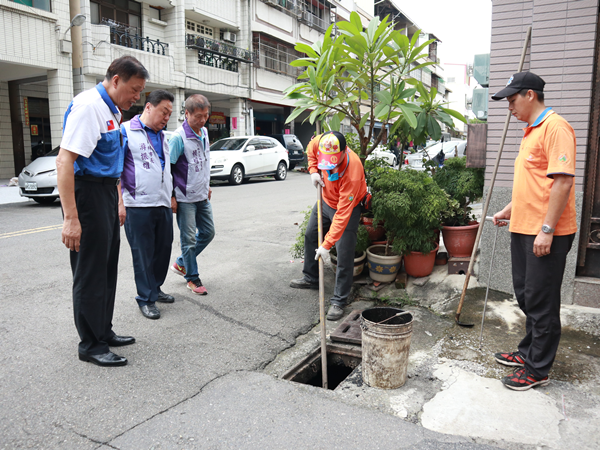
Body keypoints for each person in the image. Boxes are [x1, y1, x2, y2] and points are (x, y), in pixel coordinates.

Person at [57, 56, 149, 367]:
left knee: (107, 267)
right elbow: (65, 161)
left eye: (140, 92)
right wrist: (71, 218)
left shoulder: (112, 110)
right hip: (87, 195)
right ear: (115, 80)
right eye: (134, 90)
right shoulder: (89, 107)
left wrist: (118, 201)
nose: (136, 97)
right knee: (90, 271)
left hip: (106, 193)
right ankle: (90, 344)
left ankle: (103, 330)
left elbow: (111, 164)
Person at [491, 71, 577, 390]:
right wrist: (508, 210)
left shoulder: (556, 128)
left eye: (512, 100)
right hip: (523, 227)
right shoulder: (531, 131)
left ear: (530, 95)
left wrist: (547, 229)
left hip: (545, 233)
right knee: (526, 294)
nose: (509, 107)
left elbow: (563, 181)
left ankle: (538, 369)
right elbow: (534, 184)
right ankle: (529, 353)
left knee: (541, 301)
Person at [290, 131, 367, 321]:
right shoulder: (321, 142)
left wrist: (326, 245)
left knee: (343, 251)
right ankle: (311, 277)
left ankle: (339, 300)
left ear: (343, 151)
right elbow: (310, 150)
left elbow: (342, 215)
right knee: (310, 234)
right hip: (324, 200)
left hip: (346, 207)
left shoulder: (353, 170)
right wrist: (313, 170)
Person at [120, 90, 175, 320]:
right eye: (164, 112)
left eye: (170, 114)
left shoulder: (163, 136)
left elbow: (167, 169)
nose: (166, 118)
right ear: (149, 107)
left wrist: (172, 196)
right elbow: (116, 170)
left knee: (163, 249)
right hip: (137, 204)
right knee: (143, 253)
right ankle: (145, 298)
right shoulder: (125, 131)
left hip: (161, 201)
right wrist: (120, 202)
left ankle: (155, 287)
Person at [169, 94, 215, 295]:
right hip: (184, 197)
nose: (203, 120)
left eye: (205, 115)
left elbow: (204, 163)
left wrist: (208, 185)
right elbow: (168, 169)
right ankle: (192, 278)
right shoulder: (178, 138)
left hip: (202, 195)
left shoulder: (204, 131)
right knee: (188, 239)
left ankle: (181, 263)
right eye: (198, 116)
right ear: (186, 114)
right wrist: (171, 196)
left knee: (208, 232)